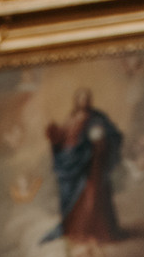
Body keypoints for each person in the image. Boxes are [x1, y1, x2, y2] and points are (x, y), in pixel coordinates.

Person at [42, 86, 124, 246]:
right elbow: (62, 138)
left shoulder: (97, 118)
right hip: (71, 162)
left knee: (90, 198)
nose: (84, 100)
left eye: (86, 97)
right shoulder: (71, 117)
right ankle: (75, 231)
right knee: (74, 200)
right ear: (76, 100)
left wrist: (100, 140)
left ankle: (93, 232)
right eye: (80, 98)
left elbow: (113, 135)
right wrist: (53, 132)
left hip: (90, 165)